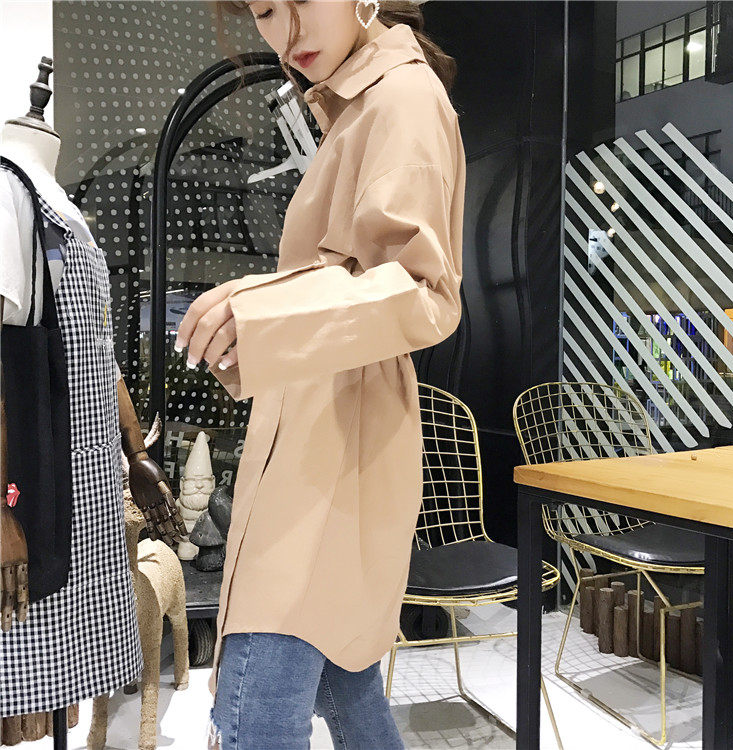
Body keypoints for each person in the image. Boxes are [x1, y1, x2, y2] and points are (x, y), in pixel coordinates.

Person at [175, 1, 466, 748]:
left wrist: (263, 311)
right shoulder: (361, 103)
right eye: (265, 12)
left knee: (256, 716)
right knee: (346, 683)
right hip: (326, 435)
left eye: (298, 1)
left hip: (336, 447)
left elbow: (424, 289)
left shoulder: (400, 97)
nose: (284, 32)